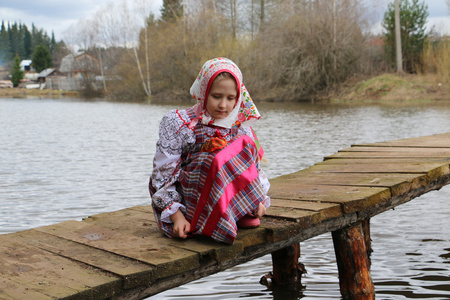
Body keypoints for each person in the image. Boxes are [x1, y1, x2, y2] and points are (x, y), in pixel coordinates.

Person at [149, 57, 270, 244]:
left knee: (243, 147)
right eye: (216, 96)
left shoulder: (240, 127)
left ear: (239, 97)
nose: (223, 105)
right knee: (211, 158)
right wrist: (176, 216)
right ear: (204, 92)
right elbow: (162, 173)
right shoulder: (179, 123)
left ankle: (243, 209)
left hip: (228, 198)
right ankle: (199, 218)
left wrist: (259, 200)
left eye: (231, 98)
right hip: (192, 201)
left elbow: (254, 169)